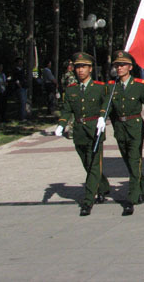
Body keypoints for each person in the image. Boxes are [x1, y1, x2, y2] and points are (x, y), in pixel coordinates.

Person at [54, 52, 110, 216]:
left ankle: (88, 200)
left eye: (83, 67)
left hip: (94, 131)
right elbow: (67, 110)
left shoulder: (100, 87)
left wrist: (102, 118)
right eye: (78, 67)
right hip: (79, 131)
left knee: (93, 165)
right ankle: (103, 187)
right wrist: (61, 124)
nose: (80, 70)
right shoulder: (71, 90)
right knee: (87, 164)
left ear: (90, 69)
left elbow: (106, 105)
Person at [106, 51, 144, 216]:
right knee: (130, 162)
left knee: (134, 159)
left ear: (130, 67)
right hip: (120, 128)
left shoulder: (139, 84)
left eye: (122, 65)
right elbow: (108, 106)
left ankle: (132, 198)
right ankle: (142, 187)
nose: (119, 68)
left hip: (135, 127)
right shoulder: (111, 86)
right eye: (117, 65)